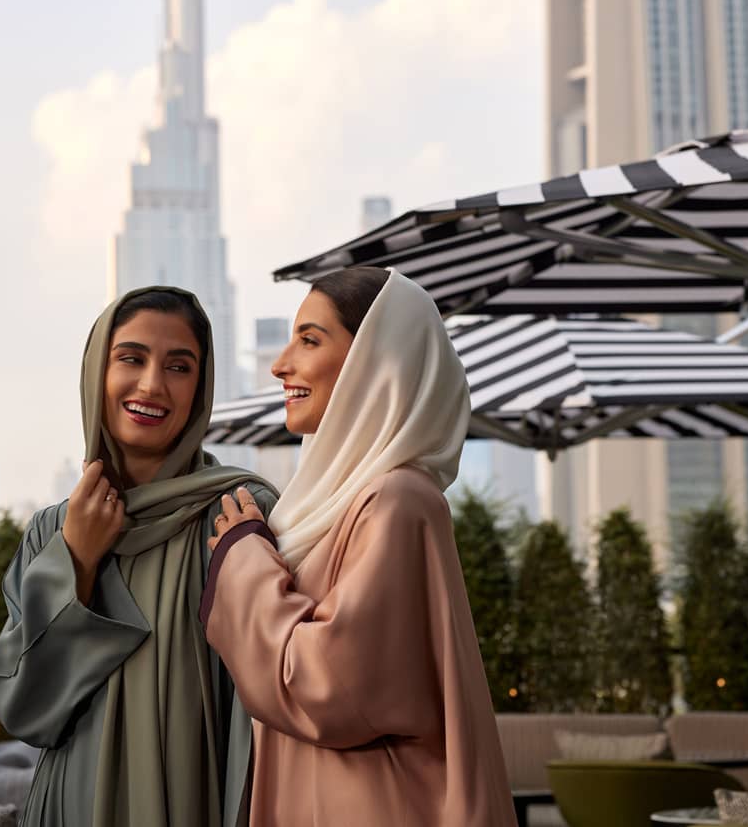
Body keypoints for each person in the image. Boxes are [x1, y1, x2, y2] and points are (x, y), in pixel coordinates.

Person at [200, 266, 515, 826]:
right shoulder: (333, 507)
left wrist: (244, 559)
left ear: (374, 361)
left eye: (309, 340)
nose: (280, 365)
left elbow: (328, 688)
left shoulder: (395, 501)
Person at [0, 286, 276, 827]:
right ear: (98, 371)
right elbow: (24, 710)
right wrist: (76, 561)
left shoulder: (239, 515)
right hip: (69, 804)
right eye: (131, 359)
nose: (152, 385)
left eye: (179, 367)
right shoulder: (52, 530)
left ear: (201, 388)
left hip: (194, 801)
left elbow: (272, 700)